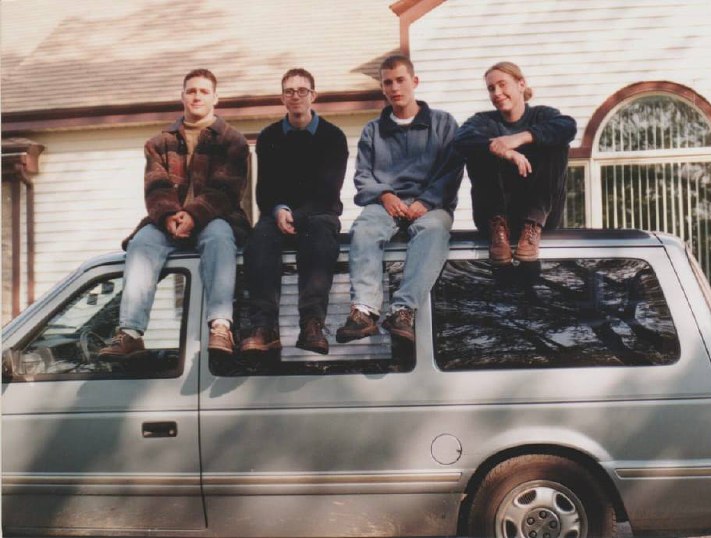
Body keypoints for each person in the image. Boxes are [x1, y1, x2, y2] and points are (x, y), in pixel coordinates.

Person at [100, 68, 250, 358]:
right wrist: (169, 216)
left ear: (215, 98)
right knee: (141, 244)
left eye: (203, 91)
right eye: (191, 90)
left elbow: (226, 190)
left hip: (216, 218)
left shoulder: (233, 141)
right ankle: (130, 333)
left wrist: (193, 215)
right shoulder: (159, 142)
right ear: (182, 95)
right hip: (167, 221)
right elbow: (156, 187)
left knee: (220, 237)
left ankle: (220, 326)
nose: (197, 96)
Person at [335, 55, 463, 345]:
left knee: (433, 231)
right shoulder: (372, 130)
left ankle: (403, 311)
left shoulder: (442, 124)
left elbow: (453, 169)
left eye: (400, 80)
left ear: (414, 81)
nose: (394, 87)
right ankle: (364, 311)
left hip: (431, 206)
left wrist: (428, 200)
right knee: (365, 228)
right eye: (387, 82)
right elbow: (362, 176)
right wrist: (385, 194)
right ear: (382, 88)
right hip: (385, 204)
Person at [240, 68, 348, 355]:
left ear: (313, 95)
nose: (296, 96)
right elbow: (263, 191)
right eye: (290, 91)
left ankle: (312, 324)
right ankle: (264, 327)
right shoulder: (269, 137)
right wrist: (278, 211)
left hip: (319, 213)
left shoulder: (333, 137)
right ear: (282, 98)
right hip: (277, 215)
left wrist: (296, 216)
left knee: (321, 237)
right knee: (259, 240)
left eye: (302, 91)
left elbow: (329, 192)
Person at [454, 61, 576, 264]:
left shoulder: (543, 115)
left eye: (503, 84)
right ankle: (498, 227)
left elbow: (568, 127)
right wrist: (506, 152)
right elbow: (461, 139)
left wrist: (520, 138)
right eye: (491, 88)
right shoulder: (484, 120)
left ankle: (532, 225)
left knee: (555, 143)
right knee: (478, 146)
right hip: (494, 218)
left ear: (521, 84)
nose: (497, 92)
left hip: (542, 216)